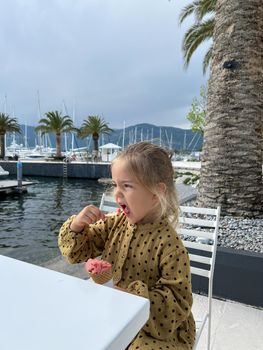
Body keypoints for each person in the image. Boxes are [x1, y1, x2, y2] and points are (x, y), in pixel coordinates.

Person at [58, 142, 196, 350]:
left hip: (154, 329)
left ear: (156, 193)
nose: (117, 194)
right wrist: (78, 226)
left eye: (127, 186)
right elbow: (78, 253)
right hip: (113, 312)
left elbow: (177, 302)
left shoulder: (170, 246)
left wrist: (131, 297)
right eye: (115, 184)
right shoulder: (114, 223)